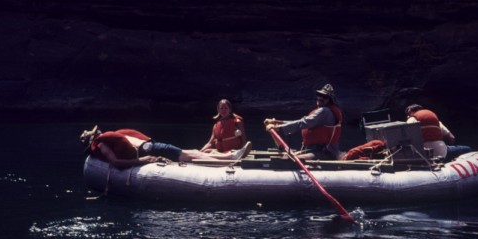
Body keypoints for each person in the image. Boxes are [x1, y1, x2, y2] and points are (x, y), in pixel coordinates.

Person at [79, 125, 251, 169]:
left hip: (150, 146)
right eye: (96, 132)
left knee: (191, 152)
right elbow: (115, 162)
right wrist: (142, 160)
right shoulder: (102, 145)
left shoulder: (104, 142)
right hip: (149, 150)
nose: (100, 131)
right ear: (93, 138)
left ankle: (230, 156)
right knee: (187, 156)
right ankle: (229, 160)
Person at [264, 84, 343, 160]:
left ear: (330, 100)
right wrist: (278, 123)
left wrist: (279, 128)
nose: (320, 98)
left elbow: (304, 123)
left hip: (326, 152)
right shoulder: (324, 111)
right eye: (319, 95)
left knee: (290, 158)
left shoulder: (324, 111)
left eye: (325, 97)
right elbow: (301, 121)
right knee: (287, 155)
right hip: (316, 151)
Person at [404, 104, 472, 161]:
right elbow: (452, 138)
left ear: (410, 112)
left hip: (421, 155)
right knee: (467, 149)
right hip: (442, 153)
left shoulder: (409, 121)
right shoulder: (436, 121)